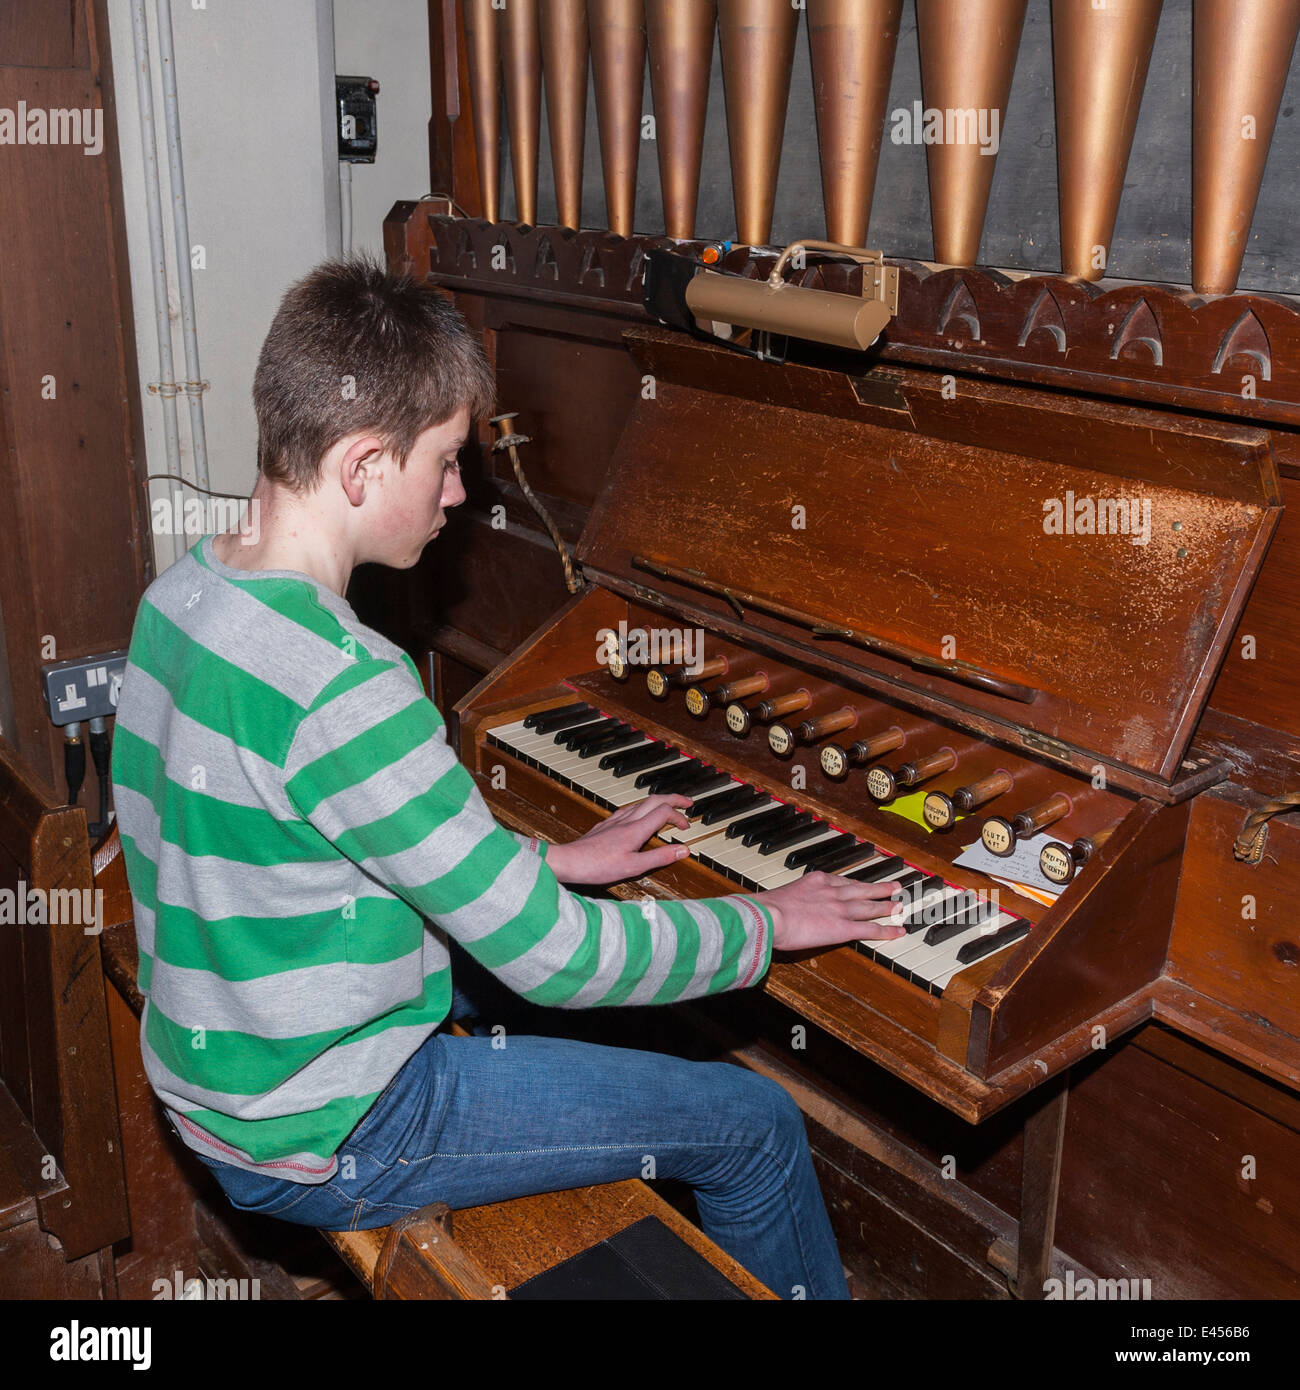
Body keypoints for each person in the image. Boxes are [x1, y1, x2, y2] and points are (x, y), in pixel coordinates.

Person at [111, 254, 906, 1301]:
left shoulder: (181, 595)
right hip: (334, 1130)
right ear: (359, 468)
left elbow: (320, 846)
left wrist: (547, 857)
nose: (456, 492)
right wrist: (768, 921)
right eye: (443, 460)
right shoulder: (345, 681)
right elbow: (560, 964)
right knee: (754, 1125)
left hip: (220, 1086)